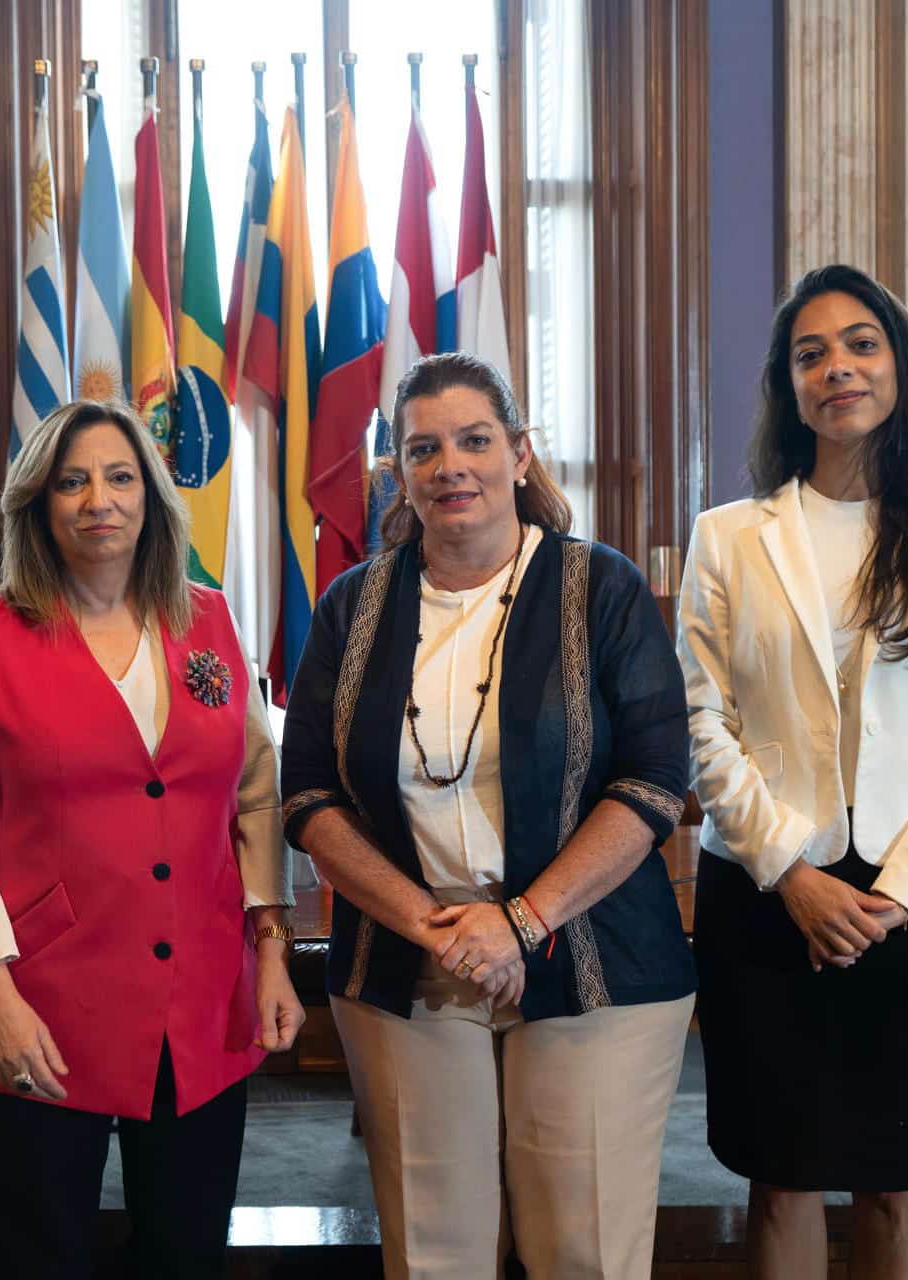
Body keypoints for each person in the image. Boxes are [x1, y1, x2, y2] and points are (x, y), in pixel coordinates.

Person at [281, 352, 697, 1279]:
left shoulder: (604, 589)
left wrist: (521, 920)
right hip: (408, 957)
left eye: (474, 441)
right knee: (436, 1255)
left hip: (595, 961)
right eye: (423, 449)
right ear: (400, 472)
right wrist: (435, 925)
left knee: (583, 1252)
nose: (450, 466)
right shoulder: (353, 606)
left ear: (519, 454)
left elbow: (657, 780)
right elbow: (306, 793)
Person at [0, 399, 304, 1279]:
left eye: (120, 478)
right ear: (38, 505)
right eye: (72, 481)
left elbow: (257, 798)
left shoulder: (212, 622)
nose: (98, 500)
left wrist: (271, 948)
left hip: (199, 1000)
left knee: (189, 1246)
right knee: (41, 1251)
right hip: (43, 1002)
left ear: (153, 498)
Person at [677, 264, 908, 1275]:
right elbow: (705, 723)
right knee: (779, 1173)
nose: (839, 367)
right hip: (767, 892)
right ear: (790, 387)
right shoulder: (730, 538)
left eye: (861, 343)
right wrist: (792, 872)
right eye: (811, 352)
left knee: (902, 1173)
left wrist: (896, 897)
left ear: (899, 368)